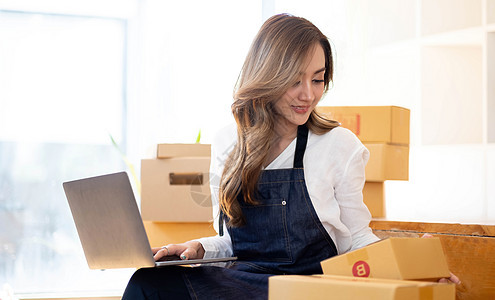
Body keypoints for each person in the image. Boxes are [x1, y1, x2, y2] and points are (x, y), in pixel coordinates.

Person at [122, 13, 457, 300]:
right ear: (268, 77)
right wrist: (198, 248)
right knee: (147, 284)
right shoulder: (229, 143)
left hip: (307, 289)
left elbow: (355, 239)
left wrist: (413, 267)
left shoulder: (339, 145)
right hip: (243, 284)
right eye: (295, 80)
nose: (308, 94)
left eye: (318, 79)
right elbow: (232, 243)